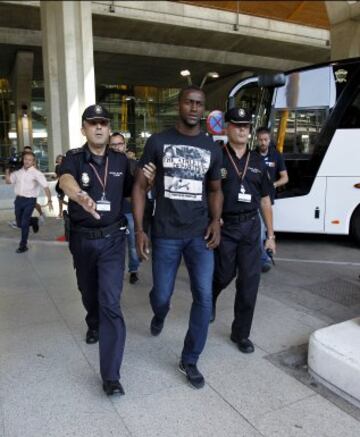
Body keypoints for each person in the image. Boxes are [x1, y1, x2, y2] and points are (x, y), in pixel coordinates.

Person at [132, 85, 223, 389]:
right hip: (166, 233)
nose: (194, 108)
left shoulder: (211, 147)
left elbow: (215, 189)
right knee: (161, 295)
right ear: (180, 106)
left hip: (199, 235)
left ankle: (190, 358)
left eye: (199, 103)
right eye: (189, 102)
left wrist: (215, 221)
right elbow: (140, 187)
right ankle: (159, 313)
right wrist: (140, 230)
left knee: (204, 297)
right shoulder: (158, 142)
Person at [59, 104, 133, 396]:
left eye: (103, 122)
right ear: (84, 129)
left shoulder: (122, 161)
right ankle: (93, 322)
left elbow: (135, 188)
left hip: (114, 239)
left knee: (111, 303)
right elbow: (64, 179)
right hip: (83, 239)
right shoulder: (75, 159)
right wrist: (78, 195)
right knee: (88, 292)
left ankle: (111, 376)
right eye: (93, 123)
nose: (99, 127)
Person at [211, 108, 276, 354]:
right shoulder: (217, 156)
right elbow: (208, 193)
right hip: (225, 228)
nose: (242, 129)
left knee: (249, 283)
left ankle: (241, 334)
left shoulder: (258, 162)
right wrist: (213, 219)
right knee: (223, 275)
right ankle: (211, 298)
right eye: (237, 125)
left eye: (246, 126)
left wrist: (270, 236)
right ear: (227, 128)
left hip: (250, 228)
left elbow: (265, 201)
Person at [5, 151, 53, 253]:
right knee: (19, 223)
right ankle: (34, 221)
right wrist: (7, 170)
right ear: (23, 160)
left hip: (30, 200)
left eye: (30, 160)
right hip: (18, 200)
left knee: (24, 222)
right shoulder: (18, 172)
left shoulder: (37, 173)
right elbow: (8, 181)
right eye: (26, 159)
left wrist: (49, 200)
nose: (27, 161)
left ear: (33, 161)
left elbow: (46, 187)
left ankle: (23, 245)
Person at [109, 132, 140, 284]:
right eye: (113, 144)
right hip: (112, 213)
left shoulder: (133, 164)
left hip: (128, 210)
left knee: (132, 243)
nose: (117, 147)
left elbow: (139, 190)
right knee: (114, 246)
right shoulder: (105, 164)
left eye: (119, 144)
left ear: (125, 145)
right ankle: (115, 272)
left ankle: (133, 270)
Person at [256, 127, 288, 272]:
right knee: (260, 228)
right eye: (260, 140)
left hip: (268, 200)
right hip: (254, 199)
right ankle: (264, 258)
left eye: (265, 140)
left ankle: (264, 256)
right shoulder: (252, 155)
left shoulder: (276, 156)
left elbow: (285, 178)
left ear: (270, 140)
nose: (263, 142)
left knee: (263, 228)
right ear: (257, 139)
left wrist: (273, 184)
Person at [54, 154, 66, 218]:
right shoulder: (57, 167)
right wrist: (54, 177)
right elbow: (57, 176)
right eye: (59, 159)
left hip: (66, 184)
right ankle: (60, 213)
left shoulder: (66, 166)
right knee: (60, 199)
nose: (60, 160)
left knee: (62, 199)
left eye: (61, 159)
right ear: (57, 160)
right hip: (60, 184)